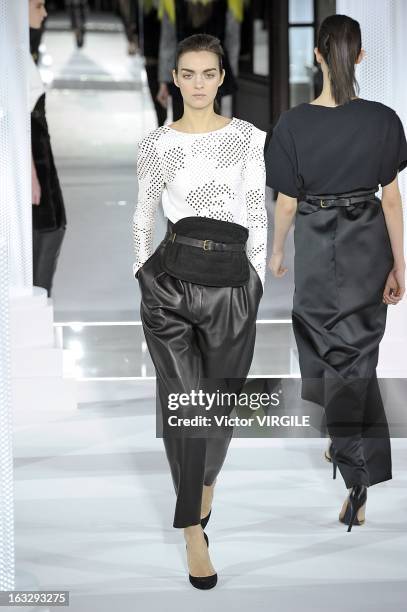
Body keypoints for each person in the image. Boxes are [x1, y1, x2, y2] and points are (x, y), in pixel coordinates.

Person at [132, 33, 267, 588]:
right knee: (186, 407)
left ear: (221, 78)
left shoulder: (250, 140)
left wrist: (255, 281)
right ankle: (193, 531)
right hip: (170, 289)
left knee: (220, 413)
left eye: (207, 74)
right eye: (187, 74)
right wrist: (144, 278)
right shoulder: (156, 144)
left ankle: (203, 490)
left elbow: (257, 212)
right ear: (174, 79)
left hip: (233, 288)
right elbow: (143, 216)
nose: (198, 85)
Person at [265, 14, 407, 533]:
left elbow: (285, 204)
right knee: (358, 356)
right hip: (368, 243)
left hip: (318, 241)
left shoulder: (293, 124)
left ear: (319, 55)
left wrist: (276, 252)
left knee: (324, 351)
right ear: (361, 57)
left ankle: (354, 475)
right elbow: (391, 200)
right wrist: (399, 262)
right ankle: (350, 453)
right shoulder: (383, 119)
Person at [30, 0, 67, 297]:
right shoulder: (12, 57)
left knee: (53, 229)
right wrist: (29, 172)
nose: (44, 13)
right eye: (38, 5)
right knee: (46, 231)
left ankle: (38, 307)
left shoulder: (21, 53)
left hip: (40, 159)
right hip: (31, 163)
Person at [156, 0, 238, 120]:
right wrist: (230, 75)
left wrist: (164, 81)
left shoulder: (171, 2)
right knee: (212, 127)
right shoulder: (230, 2)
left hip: (186, 72)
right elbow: (232, 40)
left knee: (184, 126)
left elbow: (168, 43)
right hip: (212, 72)